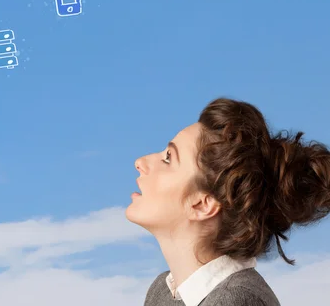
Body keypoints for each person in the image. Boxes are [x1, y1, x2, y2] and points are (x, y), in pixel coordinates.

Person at [126, 97, 330, 306]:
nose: (140, 162)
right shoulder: (163, 292)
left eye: (168, 158)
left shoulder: (236, 300)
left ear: (202, 205)